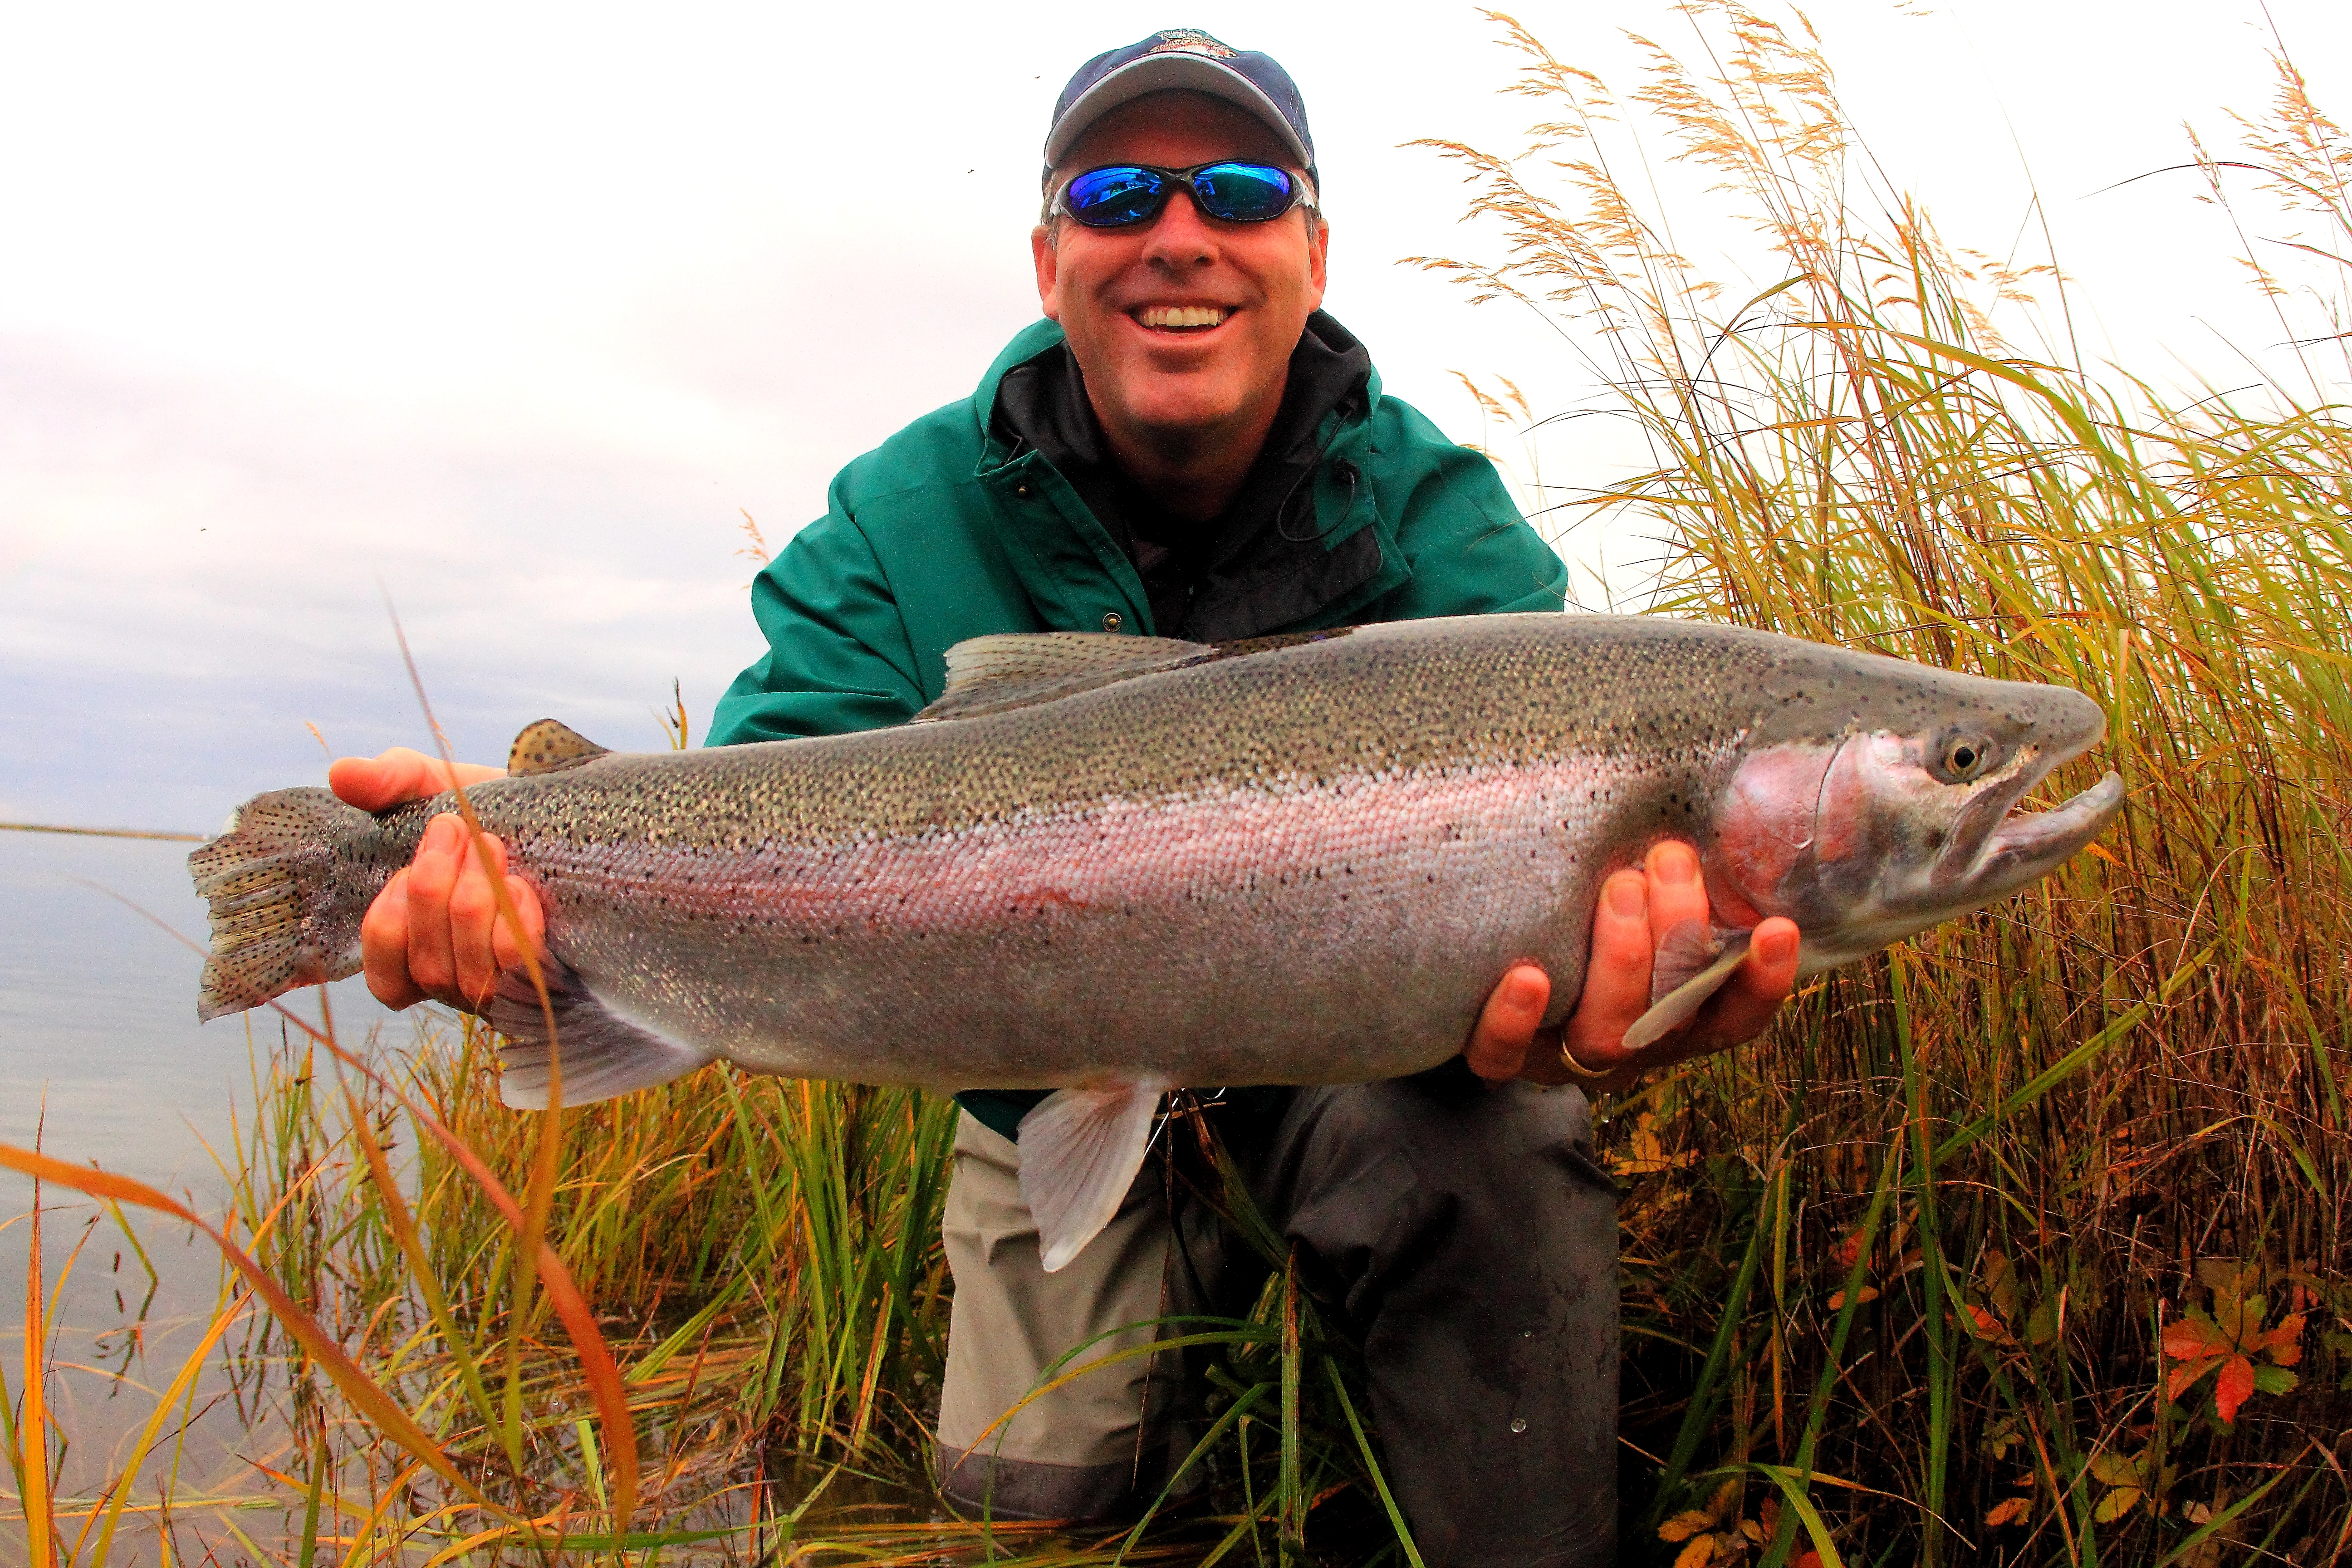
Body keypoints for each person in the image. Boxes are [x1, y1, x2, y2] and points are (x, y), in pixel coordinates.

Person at [328, 30, 1800, 1567]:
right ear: (1049, 259)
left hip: (1380, 1083)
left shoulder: (1443, 524)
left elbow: (1568, 969)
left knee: (1502, 1161)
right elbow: (750, 805)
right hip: (1047, 1088)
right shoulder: (902, 518)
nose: (1179, 236)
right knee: (1031, 1518)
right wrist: (523, 862)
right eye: (1118, 195)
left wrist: (1620, 1010)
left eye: (1236, 190)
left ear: (1313, 249)